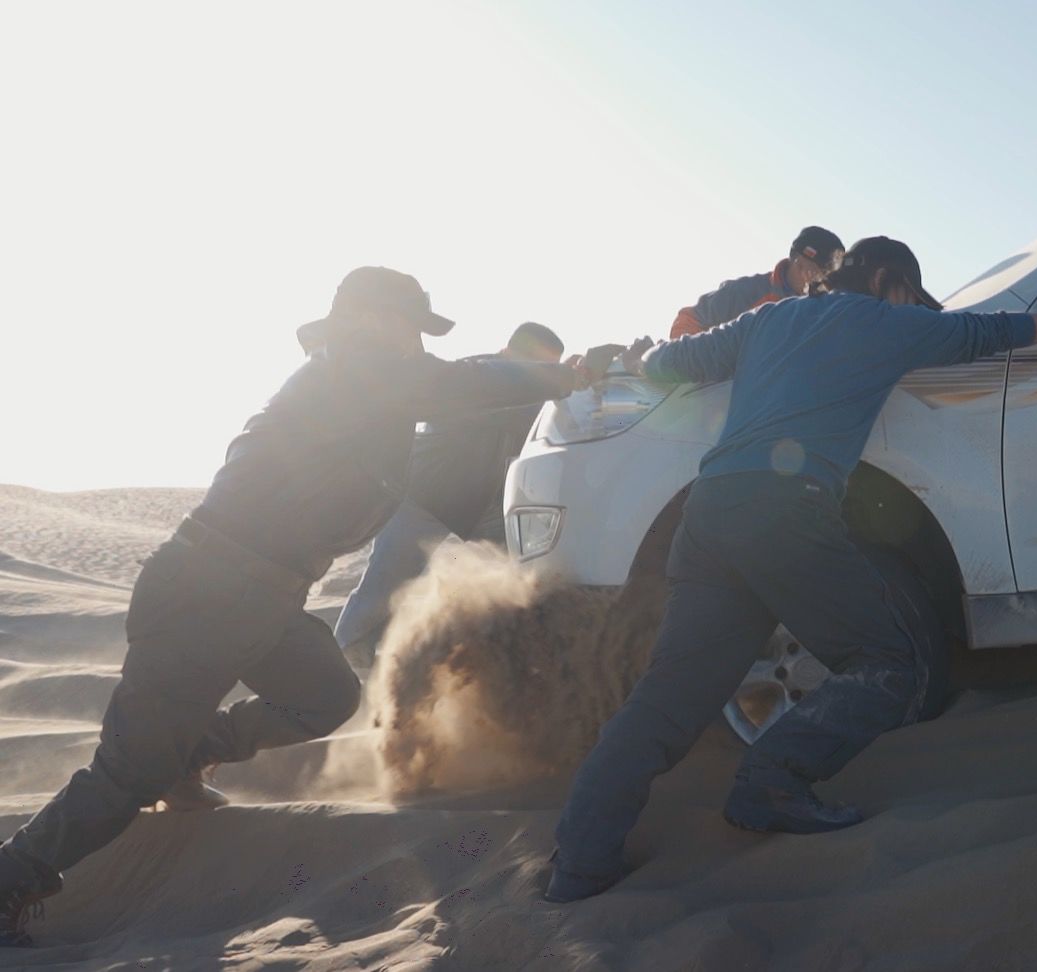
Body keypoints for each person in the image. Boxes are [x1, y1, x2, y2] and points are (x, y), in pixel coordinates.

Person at [0, 268, 615, 947]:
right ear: (370, 323)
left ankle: (191, 753)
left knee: (324, 694)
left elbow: (452, 394)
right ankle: (12, 876)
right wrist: (560, 375)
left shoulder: (366, 390)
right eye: (410, 326)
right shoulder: (350, 374)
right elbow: (458, 384)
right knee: (123, 775)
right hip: (206, 592)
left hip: (260, 597)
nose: (416, 341)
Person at [546, 237, 1037, 903]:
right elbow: (981, 332)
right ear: (887, 282)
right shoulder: (888, 322)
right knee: (889, 659)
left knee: (666, 700)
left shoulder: (769, 317)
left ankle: (578, 865)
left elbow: (667, 362)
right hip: (785, 513)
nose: (915, 309)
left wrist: (637, 357)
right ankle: (772, 780)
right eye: (910, 294)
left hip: (709, 516)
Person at [333, 321, 567, 666]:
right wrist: (562, 384)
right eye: (533, 367)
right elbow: (512, 414)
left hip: (481, 512)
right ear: (506, 354)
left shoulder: (533, 399)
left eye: (545, 369)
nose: (536, 377)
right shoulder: (474, 378)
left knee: (502, 587)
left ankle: (484, 666)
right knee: (381, 588)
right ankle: (344, 669)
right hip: (422, 501)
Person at [668, 225, 845, 338]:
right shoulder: (746, 291)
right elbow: (689, 318)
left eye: (825, 274)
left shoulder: (826, 313)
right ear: (796, 260)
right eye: (814, 269)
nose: (817, 278)